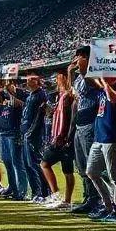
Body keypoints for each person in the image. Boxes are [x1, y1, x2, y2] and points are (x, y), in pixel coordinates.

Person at [86, 77, 116, 223]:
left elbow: (114, 98)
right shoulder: (102, 87)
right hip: (99, 137)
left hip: (113, 137)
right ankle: (108, 206)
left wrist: (105, 82)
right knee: (91, 172)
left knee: (115, 177)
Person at [68, 48, 104, 216]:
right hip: (79, 123)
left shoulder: (94, 75)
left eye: (82, 57)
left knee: (93, 165)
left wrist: (83, 69)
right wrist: (70, 74)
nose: (77, 60)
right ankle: (88, 197)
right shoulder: (79, 79)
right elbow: (75, 95)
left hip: (91, 121)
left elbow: (93, 85)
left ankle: (99, 200)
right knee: (81, 165)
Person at [40, 72, 75, 210]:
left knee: (65, 170)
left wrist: (67, 137)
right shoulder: (60, 96)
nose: (56, 80)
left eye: (58, 78)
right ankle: (61, 198)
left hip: (63, 138)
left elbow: (70, 118)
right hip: (58, 138)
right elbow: (55, 114)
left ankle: (63, 199)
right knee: (48, 164)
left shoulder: (68, 96)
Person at [21, 75, 49, 202]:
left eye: (31, 78)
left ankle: (45, 192)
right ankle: (35, 192)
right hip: (26, 132)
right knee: (28, 164)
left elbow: (39, 115)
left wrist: (31, 131)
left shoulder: (40, 95)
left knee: (36, 163)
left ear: (37, 81)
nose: (27, 80)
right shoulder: (29, 96)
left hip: (35, 134)